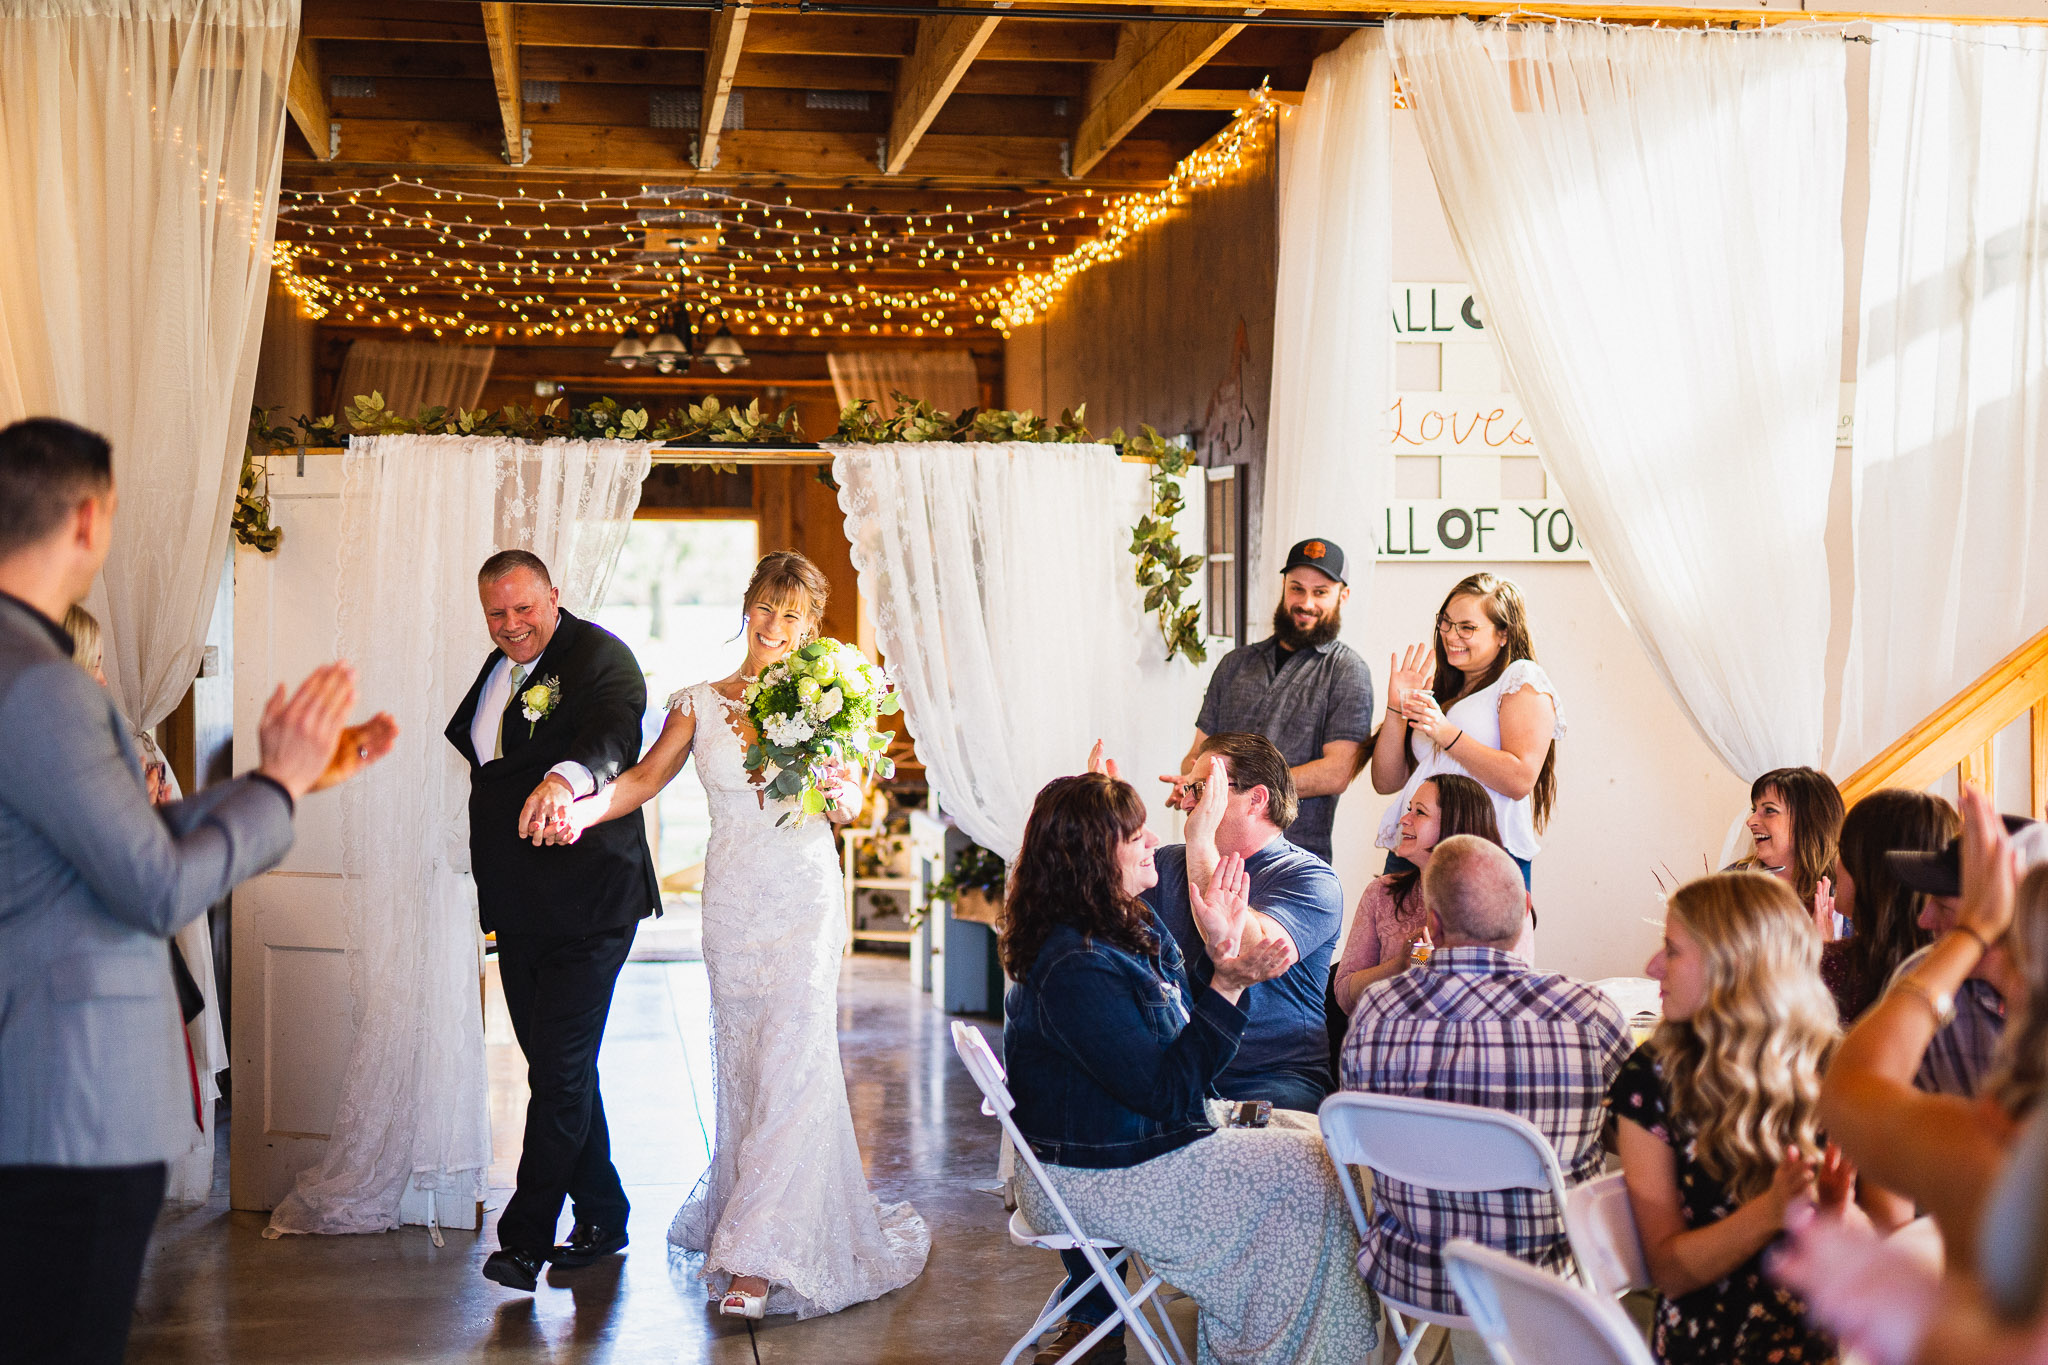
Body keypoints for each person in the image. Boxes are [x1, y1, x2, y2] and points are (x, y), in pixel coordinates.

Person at [0, 416, 393, 1365]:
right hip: (70, 1097)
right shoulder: (41, 683)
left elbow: (106, 843)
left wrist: (269, 785)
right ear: (88, 519)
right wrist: (276, 786)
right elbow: (154, 887)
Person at [531, 550, 929, 1319]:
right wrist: (580, 810)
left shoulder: (830, 699)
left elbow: (850, 804)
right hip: (734, 905)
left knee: (794, 1061)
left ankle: (759, 1256)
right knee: (747, 1065)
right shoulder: (696, 702)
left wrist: (838, 785)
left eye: (792, 614)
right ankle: (759, 1216)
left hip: (804, 898)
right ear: (746, 607)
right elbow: (644, 779)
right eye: (766, 607)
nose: (775, 625)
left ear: (810, 627)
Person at [1002, 771, 1380, 1365]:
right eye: (1135, 836)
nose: (1155, 840)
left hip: (1125, 1144)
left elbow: (1175, 1030)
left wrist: (1223, 956)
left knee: (1321, 1151)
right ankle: (1279, 1350)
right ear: (1092, 856)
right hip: (1089, 1172)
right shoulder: (1074, 963)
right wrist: (1229, 981)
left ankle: (1302, 1346)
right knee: (1310, 1171)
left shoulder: (1119, 926)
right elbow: (1168, 1092)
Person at [444, 549, 663, 1292]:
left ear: (554, 596)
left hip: (590, 903)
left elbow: (608, 737)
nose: (511, 625)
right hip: (519, 905)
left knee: (561, 1070)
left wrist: (563, 782)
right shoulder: (499, 668)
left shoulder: (601, 657)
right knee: (557, 1071)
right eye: (496, 613)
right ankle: (604, 1211)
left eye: (523, 608)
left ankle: (525, 1239)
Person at [1339, 835, 1629, 1314]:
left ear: (1433, 924)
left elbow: (1366, 1130)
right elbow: (1632, 1132)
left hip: (1412, 1276)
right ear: (1525, 910)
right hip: (1548, 1284)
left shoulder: (1376, 1012)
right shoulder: (1588, 1014)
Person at [1611, 871, 1850, 1365]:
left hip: (1836, 1327)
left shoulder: (1835, 1066)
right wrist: (1771, 1210)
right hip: (1712, 1340)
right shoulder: (1653, 1075)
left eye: (1672, 950)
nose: (1652, 967)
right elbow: (1669, 1272)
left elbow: (1889, 1233)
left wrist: (1836, 1216)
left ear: (1733, 966)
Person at [1818, 789, 2048, 1272]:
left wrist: (1971, 932)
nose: (1924, 920)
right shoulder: (1928, 974)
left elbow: (1854, 1095)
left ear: (2015, 919)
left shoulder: (2000, 1142)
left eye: (1944, 906)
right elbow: (1889, 1179)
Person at [1167, 537, 1374, 863]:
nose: (1306, 602)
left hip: (1293, 860)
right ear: (1284, 587)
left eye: (1320, 592)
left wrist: (1235, 791)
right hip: (1212, 855)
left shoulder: (1347, 671)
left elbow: (1338, 771)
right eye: (1297, 589)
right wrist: (1192, 782)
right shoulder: (1235, 664)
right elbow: (1196, 754)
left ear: (1342, 596)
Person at [1368, 572, 1561, 887]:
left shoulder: (1521, 677)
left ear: (1503, 634)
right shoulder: (1446, 689)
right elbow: (1385, 782)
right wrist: (1396, 709)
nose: (1450, 635)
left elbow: (1520, 779)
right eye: (1446, 622)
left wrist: (1444, 732)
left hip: (1481, 856)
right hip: (1413, 851)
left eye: (1467, 627)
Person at [1332, 773, 1509, 1015]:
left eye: (1420, 812)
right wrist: (1399, 965)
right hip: (1387, 1033)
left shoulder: (1498, 904)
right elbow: (1343, 995)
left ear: (1453, 825)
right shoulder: (1381, 893)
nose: (1404, 819)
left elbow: (1504, 999)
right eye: (1409, 809)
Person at [1821, 790, 1958, 1022]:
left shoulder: (1829, 969)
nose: (1836, 864)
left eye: (1843, 851)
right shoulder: (1959, 970)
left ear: (1873, 869)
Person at [1738, 766, 1846, 937]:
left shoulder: (1853, 893)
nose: (1750, 821)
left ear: (1809, 821)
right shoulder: (1732, 889)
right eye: (1754, 810)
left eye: (1769, 810)